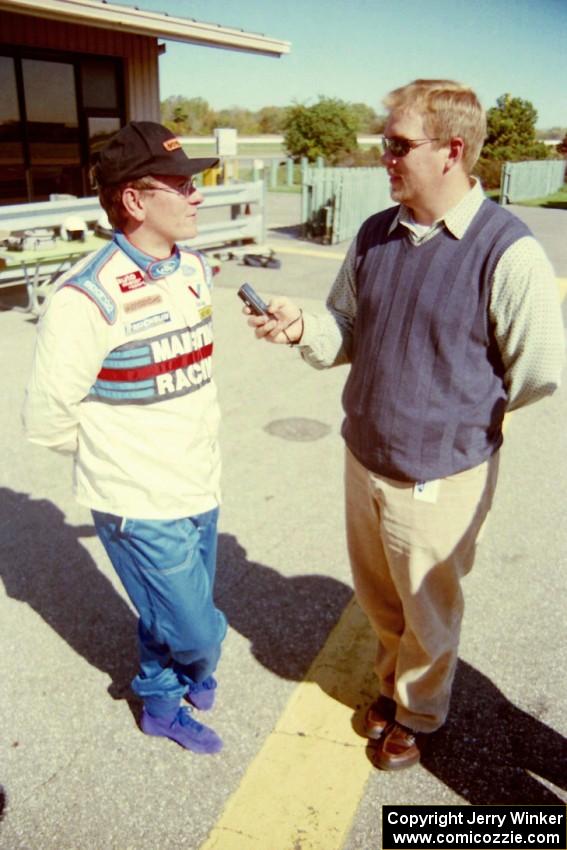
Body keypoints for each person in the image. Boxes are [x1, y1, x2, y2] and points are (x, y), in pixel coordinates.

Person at [244, 80, 565, 770]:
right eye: (381, 144)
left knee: (427, 608)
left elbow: (536, 373)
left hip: (440, 472)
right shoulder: (373, 234)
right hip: (364, 455)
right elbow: (346, 329)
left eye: (395, 145)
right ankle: (393, 683)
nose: (382, 158)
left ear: (452, 150)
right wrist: (300, 326)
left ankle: (419, 713)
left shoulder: (507, 253)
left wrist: (448, 416)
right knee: (379, 594)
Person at [23, 121, 228, 755]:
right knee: (198, 630)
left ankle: (164, 699)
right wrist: (119, 459)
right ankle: (168, 678)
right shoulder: (85, 296)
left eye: (198, 181)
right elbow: (47, 416)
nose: (198, 195)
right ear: (135, 200)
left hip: (200, 480)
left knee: (168, 610)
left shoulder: (193, 266)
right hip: (137, 497)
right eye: (182, 184)